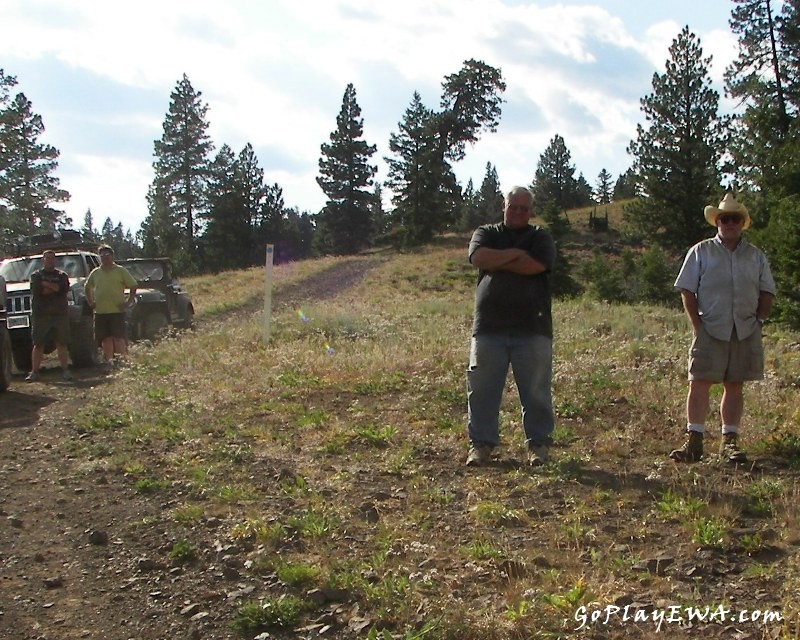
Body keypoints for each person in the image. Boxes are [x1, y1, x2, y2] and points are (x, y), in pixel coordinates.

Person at [670, 192, 776, 464]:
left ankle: (730, 442)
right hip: (710, 327)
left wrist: (758, 321)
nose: (729, 223)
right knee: (699, 382)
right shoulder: (701, 252)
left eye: (735, 219)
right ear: (717, 222)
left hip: (744, 329)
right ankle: (694, 441)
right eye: (724, 218)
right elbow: (687, 291)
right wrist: (697, 325)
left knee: (735, 385)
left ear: (742, 223)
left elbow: (767, 292)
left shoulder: (756, 256)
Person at [465, 185, 557, 467]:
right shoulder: (486, 233)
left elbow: (537, 266)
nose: (518, 212)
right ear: (503, 206)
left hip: (533, 327)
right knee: (481, 390)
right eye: (513, 206)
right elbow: (479, 257)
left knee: (536, 391)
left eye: (524, 208)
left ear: (530, 211)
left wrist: (500, 259)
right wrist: (517, 254)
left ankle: (538, 445)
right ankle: (481, 445)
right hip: (488, 327)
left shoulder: (540, 236)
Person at [84, 245, 137, 372]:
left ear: (112, 256)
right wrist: (91, 302)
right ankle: (109, 362)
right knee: (105, 338)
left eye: (107, 255)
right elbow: (87, 287)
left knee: (118, 337)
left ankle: (122, 362)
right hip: (101, 311)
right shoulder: (96, 272)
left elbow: (133, 285)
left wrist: (128, 301)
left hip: (117, 310)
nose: (105, 258)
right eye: (102, 256)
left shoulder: (120, 270)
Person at [27, 249, 72, 382]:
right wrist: (53, 287)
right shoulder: (36, 275)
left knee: (61, 343)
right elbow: (37, 290)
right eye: (47, 258)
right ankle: (34, 371)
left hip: (59, 314)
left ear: (55, 260)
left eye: (52, 258)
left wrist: (46, 285)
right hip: (41, 314)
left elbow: (62, 290)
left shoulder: (62, 275)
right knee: (38, 344)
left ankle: (65, 370)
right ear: (43, 260)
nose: (50, 260)